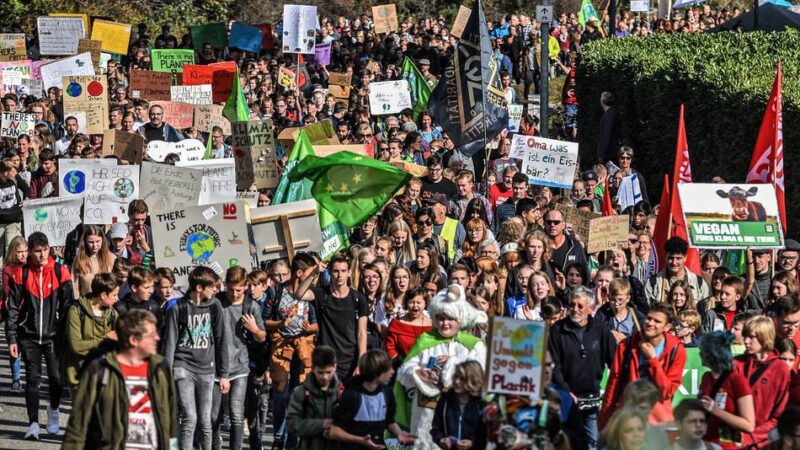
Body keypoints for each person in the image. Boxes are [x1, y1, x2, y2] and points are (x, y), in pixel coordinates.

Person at [62, 309, 178, 450]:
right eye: (151, 335)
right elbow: (78, 425)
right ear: (133, 340)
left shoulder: (160, 368)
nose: (157, 338)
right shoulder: (99, 370)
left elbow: (171, 421)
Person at [395, 285, 487, 449]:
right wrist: (418, 372)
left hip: (458, 417)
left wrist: (453, 362)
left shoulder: (473, 346)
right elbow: (403, 373)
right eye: (441, 318)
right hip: (425, 416)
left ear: (459, 319)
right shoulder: (425, 340)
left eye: (450, 318)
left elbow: (479, 373)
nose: (445, 323)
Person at [5, 231, 73, 440]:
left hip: (54, 336)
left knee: (55, 378)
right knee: (32, 379)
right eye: (37, 251)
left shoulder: (61, 271)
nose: (42, 255)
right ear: (30, 253)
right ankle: (33, 423)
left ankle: (53, 410)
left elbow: (69, 305)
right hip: (29, 336)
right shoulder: (21, 274)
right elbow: (13, 309)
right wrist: (12, 338)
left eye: (45, 250)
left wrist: (66, 333)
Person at [163, 266, 230, 450]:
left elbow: (221, 339)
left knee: (205, 420)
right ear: (199, 287)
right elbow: (169, 343)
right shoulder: (178, 307)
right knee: (189, 417)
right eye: (211, 287)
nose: (215, 290)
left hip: (207, 369)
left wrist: (224, 374)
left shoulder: (215, 306)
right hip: (182, 365)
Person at [549, 286, 617, 448]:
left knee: (592, 444)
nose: (575, 309)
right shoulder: (557, 330)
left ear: (590, 308)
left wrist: (613, 393)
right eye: (572, 305)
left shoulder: (601, 330)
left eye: (580, 306)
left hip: (591, 400)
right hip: (564, 398)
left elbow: (615, 362)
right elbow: (553, 364)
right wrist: (566, 391)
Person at [600, 303, 687, 428]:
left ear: (667, 327)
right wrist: (604, 422)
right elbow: (613, 385)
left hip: (658, 423)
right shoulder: (626, 346)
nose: (650, 323)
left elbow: (666, 392)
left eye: (657, 321)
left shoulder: (676, 350)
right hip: (629, 420)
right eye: (649, 318)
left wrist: (652, 360)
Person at [212, 267, 266, 450]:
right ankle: (214, 444)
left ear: (246, 287)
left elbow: (262, 337)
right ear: (225, 285)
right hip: (216, 366)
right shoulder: (217, 302)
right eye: (231, 289)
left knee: (236, 413)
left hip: (240, 365)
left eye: (239, 290)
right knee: (214, 415)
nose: (234, 294)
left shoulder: (251, 306)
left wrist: (254, 329)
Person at [330, 350, 416, 449]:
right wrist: (360, 441)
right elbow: (334, 432)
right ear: (377, 371)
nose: (392, 372)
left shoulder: (387, 392)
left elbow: (389, 421)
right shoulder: (352, 395)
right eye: (388, 369)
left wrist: (399, 433)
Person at [310, 254, 369, 382]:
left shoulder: (358, 299)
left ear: (349, 273)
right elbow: (299, 293)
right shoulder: (321, 294)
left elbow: (362, 333)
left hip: (351, 360)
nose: (339, 275)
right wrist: (314, 273)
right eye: (336, 271)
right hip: (327, 360)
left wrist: (361, 362)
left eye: (343, 271)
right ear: (330, 273)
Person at [734, 316, 791, 446]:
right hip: (735, 440)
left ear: (765, 337)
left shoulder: (780, 369)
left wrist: (751, 437)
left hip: (764, 442)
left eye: (752, 337)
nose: (746, 341)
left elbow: (779, 416)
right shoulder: (736, 364)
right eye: (745, 336)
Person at [61, 273, 120, 390]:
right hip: (78, 374)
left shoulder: (113, 314)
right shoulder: (76, 311)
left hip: (103, 375)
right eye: (114, 295)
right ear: (103, 295)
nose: (117, 298)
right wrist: (105, 339)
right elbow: (77, 346)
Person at [697, 331, 755, 449]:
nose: (700, 354)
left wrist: (715, 410)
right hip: (705, 444)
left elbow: (749, 425)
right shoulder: (706, 377)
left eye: (702, 350)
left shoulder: (737, 380)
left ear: (711, 354)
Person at [286, 345, 341, 450]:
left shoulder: (341, 393)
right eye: (320, 373)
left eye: (328, 372)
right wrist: (321, 424)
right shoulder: (301, 393)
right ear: (313, 368)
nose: (325, 377)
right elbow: (292, 424)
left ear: (335, 367)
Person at [430, 360, 487, 450]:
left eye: (462, 378)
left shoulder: (483, 404)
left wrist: (472, 443)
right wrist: (441, 440)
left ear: (473, 380)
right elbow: (436, 429)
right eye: (456, 376)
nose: (456, 381)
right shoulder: (445, 400)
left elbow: (488, 435)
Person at [645, 237, 708, 305]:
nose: (674, 262)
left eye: (678, 258)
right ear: (665, 256)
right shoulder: (652, 283)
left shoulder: (699, 283)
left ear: (685, 257)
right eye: (671, 258)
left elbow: (704, 310)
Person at [1, 235, 27, 393]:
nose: (23, 255)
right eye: (19, 252)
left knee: (28, 347)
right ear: (13, 252)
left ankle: (30, 376)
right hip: (13, 312)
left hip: (30, 312)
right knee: (14, 347)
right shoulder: (8, 269)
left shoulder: (31, 266)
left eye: (25, 251)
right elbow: (6, 291)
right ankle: (16, 378)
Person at [385, 287, 433, 364]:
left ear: (425, 304)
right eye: (411, 302)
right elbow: (389, 347)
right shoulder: (397, 323)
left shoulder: (432, 325)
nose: (415, 306)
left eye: (418, 302)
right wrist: (398, 361)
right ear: (406, 303)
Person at [71, 225, 117, 297]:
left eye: (97, 241)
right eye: (91, 242)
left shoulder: (112, 258)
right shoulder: (79, 260)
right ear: (85, 241)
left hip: (108, 303)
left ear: (103, 240)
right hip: (86, 303)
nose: (94, 245)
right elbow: (75, 286)